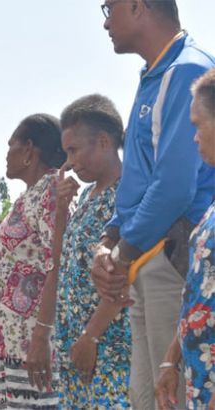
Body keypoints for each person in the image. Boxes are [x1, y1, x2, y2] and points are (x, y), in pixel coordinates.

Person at [93, 2, 215, 407]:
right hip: (146, 258)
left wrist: (123, 253)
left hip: (171, 258)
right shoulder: (155, 73)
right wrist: (108, 241)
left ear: (137, 6)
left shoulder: (186, 70)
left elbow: (175, 186)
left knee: (173, 398)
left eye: (109, 8)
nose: (106, 22)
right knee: (147, 399)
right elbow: (140, 175)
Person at [27, 94, 131, 408]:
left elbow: (125, 274)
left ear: (103, 141)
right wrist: (61, 212)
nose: (69, 162)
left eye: (73, 150)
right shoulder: (87, 195)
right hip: (77, 349)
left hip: (109, 351)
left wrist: (92, 336)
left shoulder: (129, 195)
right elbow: (60, 263)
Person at [0, 114, 66, 409]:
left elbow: (59, 264)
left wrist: (41, 336)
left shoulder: (52, 192)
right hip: (13, 340)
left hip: (32, 341)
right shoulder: (31, 195)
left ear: (30, 149)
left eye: (11, 145)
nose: (6, 153)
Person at [155, 68, 215, 410]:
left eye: (198, 125)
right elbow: (197, 291)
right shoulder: (210, 210)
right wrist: (170, 359)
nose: (194, 138)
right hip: (199, 382)